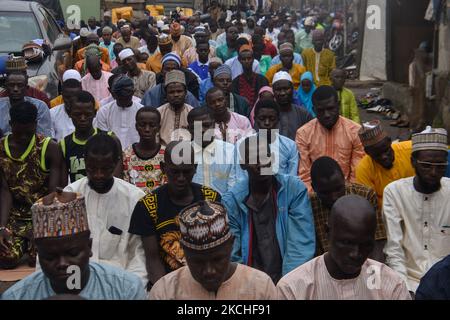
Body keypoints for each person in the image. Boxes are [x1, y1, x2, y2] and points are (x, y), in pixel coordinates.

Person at [2, 190, 147, 300]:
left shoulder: (126, 289)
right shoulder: (16, 296)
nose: (63, 264)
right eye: (50, 257)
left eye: (72, 254)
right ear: (39, 254)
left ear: (89, 247)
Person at [277, 195, 411, 300]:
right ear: (327, 233)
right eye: (347, 242)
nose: (355, 254)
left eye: (365, 245)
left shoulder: (392, 284)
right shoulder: (293, 289)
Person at [128, 140, 221, 289]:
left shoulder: (211, 199)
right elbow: (152, 259)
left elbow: (218, 252)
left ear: (195, 168)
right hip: (167, 282)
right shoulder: (147, 205)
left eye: (186, 171)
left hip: (207, 279)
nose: (181, 178)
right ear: (164, 168)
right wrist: (167, 292)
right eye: (175, 172)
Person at [223, 135, 315, 283]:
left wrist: (286, 285)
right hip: (251, 282)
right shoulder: (232, 201)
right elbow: (233, 254)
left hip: (289, 279)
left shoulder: (293, 189)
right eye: (253, 159)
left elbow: (300, 244)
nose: (261, 163)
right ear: (242, 165)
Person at [149, 200, 277, 299]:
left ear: (231, 244)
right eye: (198, 262)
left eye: (217, 259)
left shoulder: (260, 287)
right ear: (184, 251)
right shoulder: (165, 292)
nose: (209, 271)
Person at [63, 133, 147, 284]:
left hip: (119, 281)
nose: (99, 175)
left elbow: (139, 254)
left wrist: (130, 288)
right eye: (92, 169)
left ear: (116, 163)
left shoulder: (135, 198)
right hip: (78, 279)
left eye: (106, 169)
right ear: (85, 162)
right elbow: (57, 249)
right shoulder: (70, 196)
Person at [383, 127, 450, 295]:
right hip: (408, 281)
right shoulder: (394, 192)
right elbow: (394, 249)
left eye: (440, 166)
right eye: (427, 166)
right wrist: (403, 290)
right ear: (413, 162)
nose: (434, 173)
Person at [0, 102, 63, 269]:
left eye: (29, 133)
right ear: (11, 125)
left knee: (39, 259)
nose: (23, 138)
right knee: (6, 258)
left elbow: (53, 193)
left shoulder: (49, 147)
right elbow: (4, 191)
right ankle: (22, 244)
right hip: (15, 217)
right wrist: (2, 227)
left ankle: (32, 246)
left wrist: (40, 227)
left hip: (43, 213)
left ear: (35, 125)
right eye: (19, 133)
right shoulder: (1, 148)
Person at [309, 156, 386, 261]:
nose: (334, 197)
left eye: (338, 188)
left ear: (344, 178)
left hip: (363, 261)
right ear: (314, 188)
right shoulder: (309, 205)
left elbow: (378, 240)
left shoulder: (364, 195)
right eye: (325, 193)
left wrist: (374, 272)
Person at [296, 85, 365, 192]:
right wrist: (314, 198)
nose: (326, 115)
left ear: (338, 105)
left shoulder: (354, 131)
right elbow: (304, 176)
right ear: (314, 110)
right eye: (321, 110)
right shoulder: (303, 133)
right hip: (316, 193)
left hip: (346, 191)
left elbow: (356, 173)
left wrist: (349, 196)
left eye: (330, 108)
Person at [61, 91, 122, 183]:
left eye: (87, 114)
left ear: (94, 113)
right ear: (69, 114)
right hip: (79, 195)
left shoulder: (110, 139)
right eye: (77, 114)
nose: (82, 118)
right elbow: (62, 183)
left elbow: (117, 178)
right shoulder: (64, 145)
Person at [356, 121, 415, 205]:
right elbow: (369, 204)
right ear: (367, 152)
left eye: (386, 150)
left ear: (389, 141)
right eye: (377, 154)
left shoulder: (410, 150)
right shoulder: (363, 170)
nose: (384, 157)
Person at [188, 107, 239, 195]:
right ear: (189, 129)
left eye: (206, 125)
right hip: (191, 206)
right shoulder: (183, 153)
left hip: (223, 205)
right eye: (197, 127)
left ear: (213, 125)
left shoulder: (230, 151)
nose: (202, 130)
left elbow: (233, 186)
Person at [122, 107, 167, 194]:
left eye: (152, 125)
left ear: (158, 128)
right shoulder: (127, 154)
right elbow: (125, 186)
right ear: (136, 127)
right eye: (142, 125)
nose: (147, 129)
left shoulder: (165, 154)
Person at [252, 99, 299, 176]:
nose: (267, 123)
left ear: (278, 119)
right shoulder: (244, 145)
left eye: (272, 119)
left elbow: (292, 179)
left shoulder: (290, 146)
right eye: (262, 118)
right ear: (255, 119)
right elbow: (241, 178)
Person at [96, 75, 143, 150]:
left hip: (136, 155)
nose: (124, 100)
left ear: (133, 93)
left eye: (127, 96)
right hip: (111, 153)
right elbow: (103, 138)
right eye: (121, 97)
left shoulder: (141, 111)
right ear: (114, 95)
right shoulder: (104, 111)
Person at [0, 72, 52, 138]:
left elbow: (44, 137)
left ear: (27, 87)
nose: (15, 89)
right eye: (12, 85)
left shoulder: (40, 106)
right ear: (6, 87)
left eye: (20, 85)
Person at [272, 71, 312, 141]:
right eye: (278, 89)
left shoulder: (304, 114)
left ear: (293, 89)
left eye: (286, 89)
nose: (282, 93)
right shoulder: (266, 116)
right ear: (273, 91)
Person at [157, 70, 194, 145]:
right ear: (166, 94)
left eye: (179, 91)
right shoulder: (159, 112)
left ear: (185, 92)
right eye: (171, 92)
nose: (176, 95)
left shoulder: (192, 112)